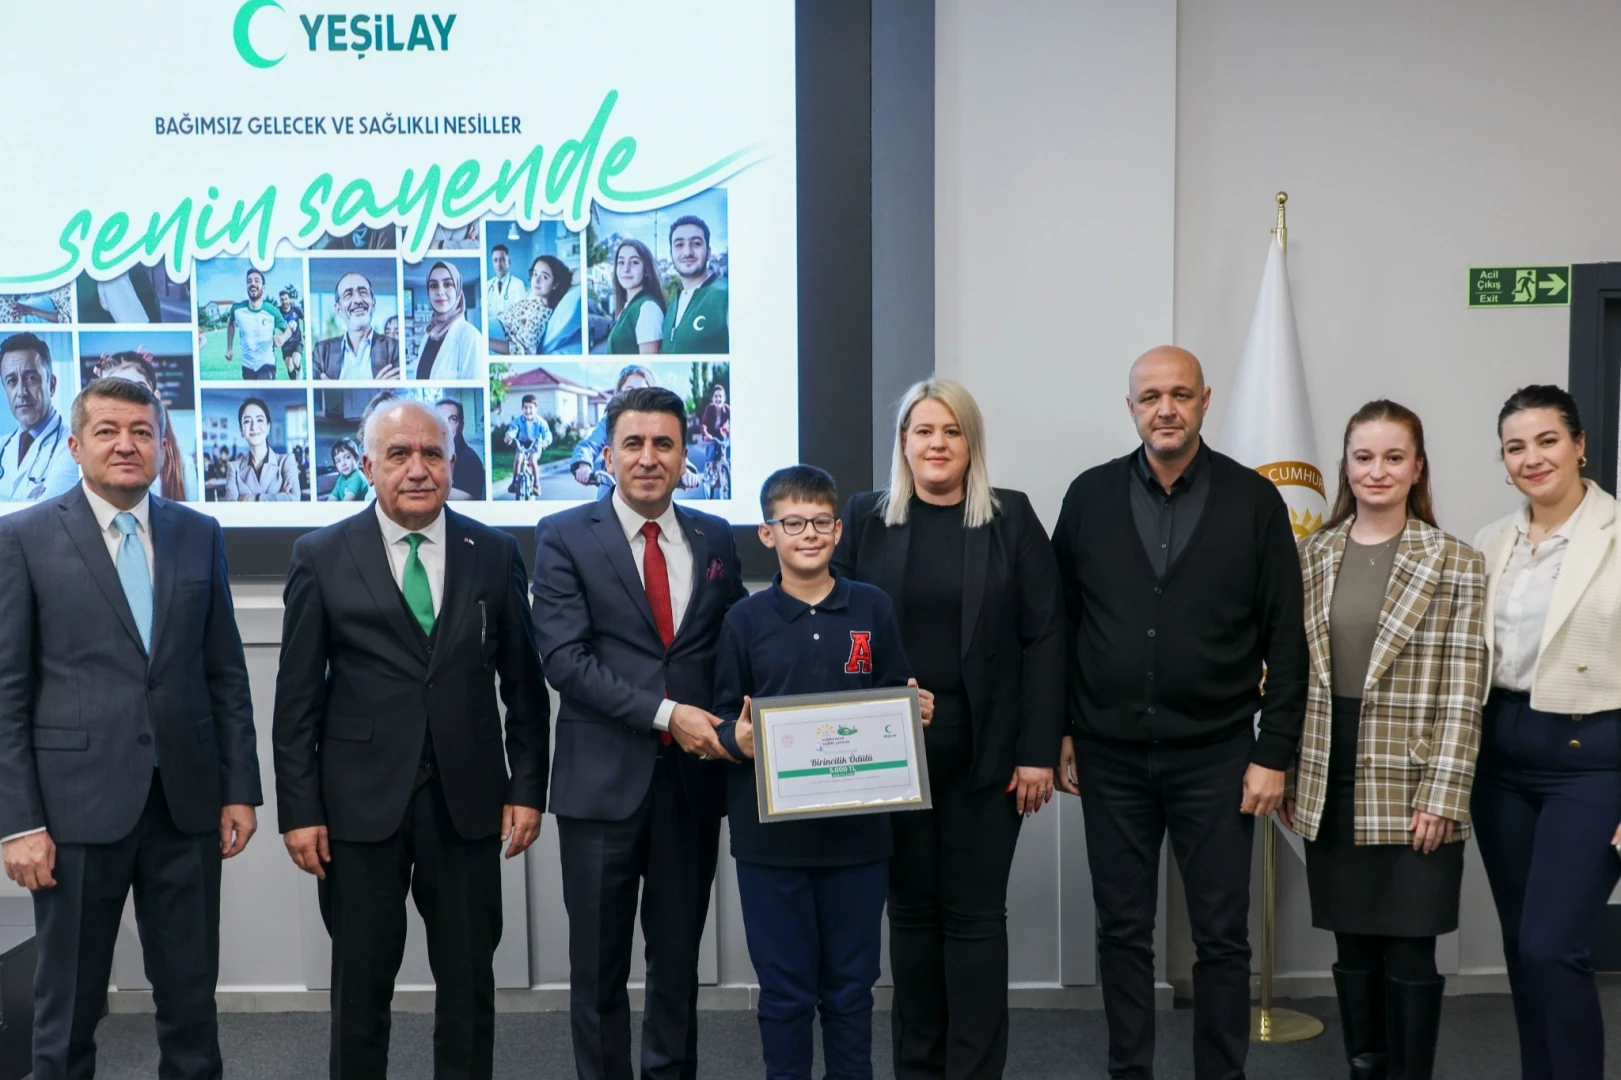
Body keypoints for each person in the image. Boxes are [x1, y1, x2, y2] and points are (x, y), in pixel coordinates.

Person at [273, 397, 549, 1080]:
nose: (417, 469)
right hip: (358, 809)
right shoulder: (320, 555)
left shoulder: (494, 553)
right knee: (360, 987)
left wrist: (527, 789)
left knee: (469, 983)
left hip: (468, 804)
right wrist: (299, 810)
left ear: (453, 464)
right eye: (398, 454)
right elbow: (297, 701)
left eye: (432, 454)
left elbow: (523, 686)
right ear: (368, 466)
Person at [1051, 346, 1307, 1080]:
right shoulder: (1089, 496)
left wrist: (1273, 753)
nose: (1165, 409)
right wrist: (1059, 728)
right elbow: (1060, 624)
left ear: (1205, 400)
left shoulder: (1254, 501)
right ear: (1131, 407)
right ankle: (1128, 1071)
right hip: (1109, 755)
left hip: (1218, 757)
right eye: (1150, 397)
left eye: (1181, 395)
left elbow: (1286, 638)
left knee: (1221, 937)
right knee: (1122, 931)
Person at [0, 376, 260, 1080]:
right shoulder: (22, 538)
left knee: (191, 1006)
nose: (126, 444)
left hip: (185, 807)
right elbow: (8, 692)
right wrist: (18, 823)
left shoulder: (198, 533)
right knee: (68, 1011)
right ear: (75, 445)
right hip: (72, 817)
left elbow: (225, 674)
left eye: (142, 431)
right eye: (108, 431)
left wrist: (240, 789)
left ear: (161, 445)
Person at [833, 378, 1064, 1080]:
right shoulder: (866, 517)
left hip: (987, 752)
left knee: (974, 917)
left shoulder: (1010, 517)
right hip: (887, 750)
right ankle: (918, 1069)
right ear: (902, 442)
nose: (937, 444)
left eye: (951, 431)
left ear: (971, 442)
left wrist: (1037, 752)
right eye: (923, 431)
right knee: (908, 914)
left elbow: (1046, 638)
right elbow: (836, 625)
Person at [532, 385, 746, 1080]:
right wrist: (667, 714)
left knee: (677, 965)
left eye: (663, 444)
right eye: (633, 443)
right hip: (601, 788)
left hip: (692, 786)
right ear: (607, 455)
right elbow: (565, 660)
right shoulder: (564, 535)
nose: (648, 458)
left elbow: (737, 644)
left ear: (686, 456)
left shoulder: (715, 536)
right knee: (597, 968)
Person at [1281, 400, 1486, 1080]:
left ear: (1417, 467)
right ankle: (1364, 1070)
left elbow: (1464, 689)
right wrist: (1289, 771)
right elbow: (1289, 677)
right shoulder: (1310, 555)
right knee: (1353, 948)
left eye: (1393, 457)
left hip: (1414, 781)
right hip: (1328, 773)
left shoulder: (1455, 560)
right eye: (1363, 457)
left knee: (1409, 950)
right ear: (1344, 465)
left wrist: (1443, 794)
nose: (1377, 470)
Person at [714, 465, 919, 1080]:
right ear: (767, 534)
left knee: (852, 991)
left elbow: (895, 696)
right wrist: (734, 739)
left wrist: (913, 711)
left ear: (838, 530)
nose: (809, 533)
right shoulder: (743, 620)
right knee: (784, 994)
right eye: (793, 523)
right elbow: (723, 719)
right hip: (770, 844)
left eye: (821, 522)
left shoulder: (872, 607)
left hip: (858, 840)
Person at [1471, 385, 1621, 1080]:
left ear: (1579, 445)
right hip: (1500, 757)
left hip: (1592, 762)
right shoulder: (1490, 542)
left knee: (1551, 946)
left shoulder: (1615, 533)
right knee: (1519, 948)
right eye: (1514, 447)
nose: (1531, 458)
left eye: (1546, 440)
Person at [97, 350, 193, 502]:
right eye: (114, 393)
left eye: (139, 390)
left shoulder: (183, 465)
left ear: (156, 398)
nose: (128, 403)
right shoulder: (93, 464)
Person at [0, 332, 77, 501]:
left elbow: (46, 513)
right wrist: (28, 502)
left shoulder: (73, 449)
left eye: (31, 378)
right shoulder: (2, 445)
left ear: (52, 385)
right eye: (12, 381)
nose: (22, 392)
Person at [312, 271, 400, 380]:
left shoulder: (394, 348)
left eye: (363, 292)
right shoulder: (321, 351)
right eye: (348, 294)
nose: (358, 300)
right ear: (338, 309)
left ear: (373, 303)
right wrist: (377, 387)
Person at [662, 216, 728, 354]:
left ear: (708, 252)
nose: (687, 252)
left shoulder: (726, 295)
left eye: (696, 243)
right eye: (679, 245)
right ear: (671, 253)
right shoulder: (673, 304)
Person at [222, 397, 300, 501]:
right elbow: (231, 507)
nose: (253, 427)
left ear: (268, 427)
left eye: (259, 420)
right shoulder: (234, 468)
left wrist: (248, 498)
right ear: (241, 430)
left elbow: (294, 499)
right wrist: (279, 498)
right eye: (247, 421)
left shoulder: (286, 461)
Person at [493, 255, 570, 356]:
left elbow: (522, 350)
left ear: (555, 284)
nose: (536, 280)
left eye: (544, 277)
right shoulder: (530, 301)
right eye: (535, 274)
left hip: (495, 335)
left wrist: (485, 342)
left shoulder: (541, 313)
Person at [414, 261, 480, 379]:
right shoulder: (427, 336)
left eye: (448, 284)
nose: (440, 292)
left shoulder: (470, 336)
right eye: (433, 286)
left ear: (458, 290)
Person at [224, 268, 288, 380]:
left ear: (263, 288)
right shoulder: (237, 309)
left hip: (267, 364)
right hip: (247, 366)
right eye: (249, 281)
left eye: (257, 281)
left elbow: (288, 330)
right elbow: (230, 324)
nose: (252, 283)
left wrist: (282, 339)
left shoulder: (272, 311)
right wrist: (229, 348)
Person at [607, 239, 666, 355]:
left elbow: (648, 361)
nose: (626, 269)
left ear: (646, 270)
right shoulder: (628, 306)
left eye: (634, 262)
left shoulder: (648, 308)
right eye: (621, 262)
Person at [502, 393, 551, 497]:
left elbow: (547, 433)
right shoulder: (518, 420)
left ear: (536, 408)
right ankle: (514, 482)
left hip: (536, 443)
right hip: (523, 443)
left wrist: (545, 441)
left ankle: (536, 485)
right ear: (522, 408)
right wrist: (509, 436)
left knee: (532, 461)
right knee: (518, 459)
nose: (528, 411)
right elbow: (513, 429)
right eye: (525, 407)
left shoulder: (541, 422)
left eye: (530, 408)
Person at [438, 398, 486, 501]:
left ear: (461, 425)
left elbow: (467, 498)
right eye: (440, 419)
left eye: (452, 419)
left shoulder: (471, 461)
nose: (445, 425)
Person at [484, 244, 528, 318]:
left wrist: (505, 316)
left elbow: (521, 313)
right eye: (495, 260)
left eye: (502, 260)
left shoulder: (518, 284)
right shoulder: (487, 285)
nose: (498, 264)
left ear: (509, 262)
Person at [697, 382, 730, 472]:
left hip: (721, 433)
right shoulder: (710, 408)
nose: (718, 399)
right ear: (712, 398)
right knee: (712, 451)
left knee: (724, 452)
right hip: (710, 434)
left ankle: (723, 473)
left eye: (720, 396)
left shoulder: (727, 409)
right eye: (716, 396)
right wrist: (706, 435)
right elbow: (703, 424)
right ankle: (710, 469)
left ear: (724, 398)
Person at [325, 438, 368, 502]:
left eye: (347, 457)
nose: (343, 463)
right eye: (338, 461)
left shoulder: (358, 476)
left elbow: (346, 502)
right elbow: (332, 498)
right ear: (336, 465)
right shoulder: (341, 478)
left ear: (356, 458)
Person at [278, 290, 304, 379]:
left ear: (289, 299)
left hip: (297, 341)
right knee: (290, 366)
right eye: (282, 300)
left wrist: (305, 331)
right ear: (280, 300)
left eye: (286, 299)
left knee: (296, 361)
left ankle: (299, 373)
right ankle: (295, 383)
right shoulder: (278, 312)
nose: (284, 302)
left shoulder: (296, 309)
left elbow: (304, 319)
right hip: (285, 344)